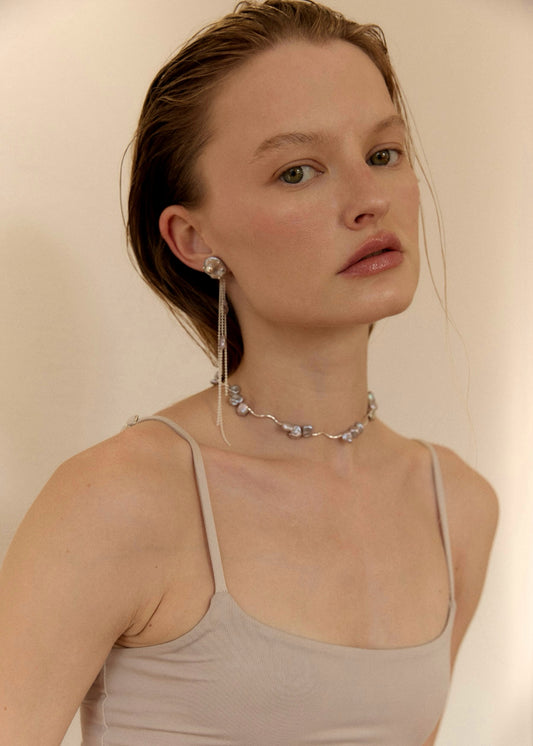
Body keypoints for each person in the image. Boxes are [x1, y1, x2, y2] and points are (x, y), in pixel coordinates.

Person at [0, 1, 498, 744]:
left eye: (383, 154)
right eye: (297, 171)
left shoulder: (455, 506)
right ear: (193, 238)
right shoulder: (119, 499)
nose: (369, 200)